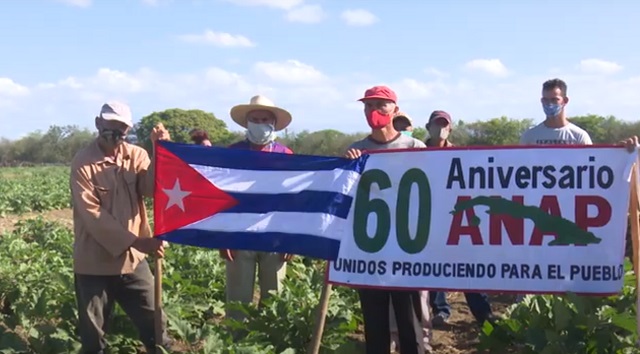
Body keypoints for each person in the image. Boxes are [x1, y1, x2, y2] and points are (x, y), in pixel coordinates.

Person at [69, 101, 174, 354]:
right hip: (94, 263)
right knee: (93, 338)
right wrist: (138, 241)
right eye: (110, 125)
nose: (115, 132)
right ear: (98, 123)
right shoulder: (83, 163)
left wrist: (161, 151)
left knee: (156, 327)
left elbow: (150, 189)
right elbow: (92, 215)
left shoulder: (137, 155)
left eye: (121, 127)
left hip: (133, 261)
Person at [345, 85, 426, 354]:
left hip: (406, 246)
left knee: (408, 319)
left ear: (395, 109)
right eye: (368, 106)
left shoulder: (415, 147)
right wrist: (348, 167)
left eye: (381, 105)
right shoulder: (357, 150)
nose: (374, 111)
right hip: (370, 248)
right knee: (375, 322)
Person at [220, 95, 294, 326]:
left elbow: (292, 201)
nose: (260, 123)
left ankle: (271, 343)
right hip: (239, 235)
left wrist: (290, 238)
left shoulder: (286, 156)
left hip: (274, 236)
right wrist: (224, 236)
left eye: (264, 119)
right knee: (237, 302)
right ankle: (236, 344)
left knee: (274, 301)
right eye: (255, 119)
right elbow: (221, 196)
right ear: (247, 123)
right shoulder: (232, 154)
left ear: (273, 124)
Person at [424, 110, 496, 327]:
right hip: (429, 218)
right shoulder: (417, 152)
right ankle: (441, 311)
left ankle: (483, 314)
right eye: (437, 124)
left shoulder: (460, 154)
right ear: (428, 127)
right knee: (434, 266)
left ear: (450, 129)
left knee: (467, 264)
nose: (441, 128)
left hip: (458, 217)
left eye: (445, 125)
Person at [388, 111, 432, 352]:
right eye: (398, 125)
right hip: (388, 234)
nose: (402, 129)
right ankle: (394, 338)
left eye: (406, 126)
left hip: (416, 233)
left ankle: (422, 340)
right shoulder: (372, 149)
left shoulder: (417, 147)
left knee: (419, 294)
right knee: (391, 295)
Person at [519, 78, 592, 145]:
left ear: (565, 101)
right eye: (545, 100)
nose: (549, 104)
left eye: (554, 100)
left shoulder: (579, 136)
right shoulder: (530, 136)